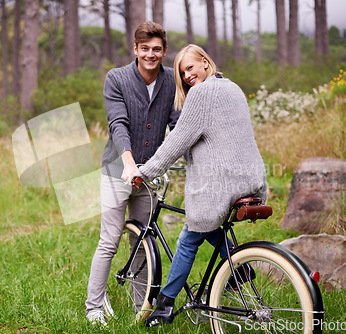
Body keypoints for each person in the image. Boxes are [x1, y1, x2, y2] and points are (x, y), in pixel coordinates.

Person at [125, 44, 267, 326]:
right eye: (182, 73)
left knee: (189, 236)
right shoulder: (233, 88)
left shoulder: (202, 94)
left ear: (205, 62)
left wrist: (147, 171)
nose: (188, 76)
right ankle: (240, 272)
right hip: (249, 178)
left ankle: (164, 305)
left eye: (190, 67)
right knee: (209, 226)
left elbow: (177, 141)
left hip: (220, 184)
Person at [85, 21, 181, 325]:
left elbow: (179, 126)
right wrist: (128, 163)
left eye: (156, 49)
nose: (151, 55)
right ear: (135, 49)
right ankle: (94, 308)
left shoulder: (170, 81)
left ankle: (142, 307)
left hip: (149, 174)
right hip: (118, 170)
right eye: (145, 49)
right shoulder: (116, 78)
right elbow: (118, 124)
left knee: (142, 240)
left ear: (164, 51)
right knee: (110, 241)